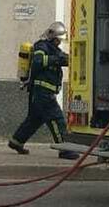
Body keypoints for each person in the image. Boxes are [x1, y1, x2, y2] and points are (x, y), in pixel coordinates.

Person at [8, 22, 69, 154]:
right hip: (43, 93)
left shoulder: (54, 50)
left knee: (35, 119)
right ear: (52, 37)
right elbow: (38, 61)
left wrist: (68, 59)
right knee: (56, 119)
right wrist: (57, 60)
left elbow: (61, 58)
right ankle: (65, 149)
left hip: (41, 93)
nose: (59, 43)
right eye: (58, 40)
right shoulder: (41, 46)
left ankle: (16, 141)